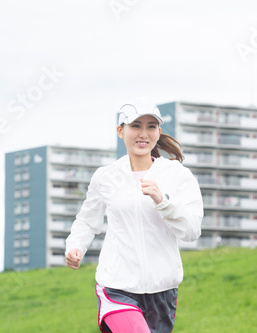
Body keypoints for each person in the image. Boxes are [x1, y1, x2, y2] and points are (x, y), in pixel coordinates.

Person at [65, 99, 204, 333]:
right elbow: (87, 220)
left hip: (163, 290)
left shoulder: (178, 175)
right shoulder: (106, 177)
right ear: (121, 131)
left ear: (159, 132)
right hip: (117, 286)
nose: (144, 133)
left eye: (151, 126)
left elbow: (192, 231)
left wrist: (163, 201)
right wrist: (75, 245)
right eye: (135, 126)